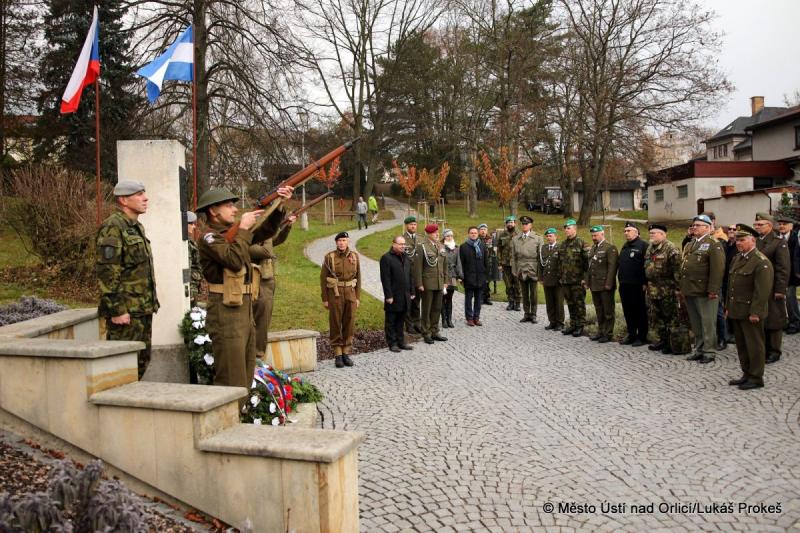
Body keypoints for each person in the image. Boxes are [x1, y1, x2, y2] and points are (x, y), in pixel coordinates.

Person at [197, 186, 291, 393]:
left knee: (246, 374)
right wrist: (243, 229)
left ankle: (241, 410)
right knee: (232, 378)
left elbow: (266, 232)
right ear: (213, 211)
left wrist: (278, 205)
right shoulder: (209, 237)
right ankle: (230, 412)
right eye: (228, 206)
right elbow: (234, 260)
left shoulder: (232, 234)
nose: (235, 209)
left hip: (243, 310)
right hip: (226, 313)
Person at [96, 180, 159, 380]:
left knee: (141, 363)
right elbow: (108, 271)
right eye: (139, 194)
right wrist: (117, 310)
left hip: (141, 309)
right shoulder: (113, 226)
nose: (145, 198)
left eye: (144, 193)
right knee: (121, 368)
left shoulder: (135, 226)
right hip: (126, 312)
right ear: (123, 200)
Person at [727, 224, 773, 390]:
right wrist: (728, 306)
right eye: (737, 240)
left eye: (742, 240)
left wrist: (755, 312)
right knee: (742, 345)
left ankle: (756, 377)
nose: (738, 243)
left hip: (750, 312)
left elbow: (762, 292)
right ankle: (746, 373)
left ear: (753, 240)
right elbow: (731, 285)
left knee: (754, 345)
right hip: (737, 309)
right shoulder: (738, 258)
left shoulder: (761, 262)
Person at [679, 214, 725, 364]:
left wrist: (713, 290)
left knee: (707, 322)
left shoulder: (713, 244)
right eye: (693, 225)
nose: (694, 228)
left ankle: (709, 351)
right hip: (690, 289)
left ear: (708, 228)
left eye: (698, 225)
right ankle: (699, 349)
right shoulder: (691, 244)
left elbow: (717, 270)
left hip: (705, 291)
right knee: (696, 322)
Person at [250, 214, 295, 360]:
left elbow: (278, 239)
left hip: (266, 282)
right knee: (257, 321)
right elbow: (267, 251)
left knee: (263, 322)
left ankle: (258, 356)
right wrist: (268, 234)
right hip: (255, 282)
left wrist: (287, 227)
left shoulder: (262, 239)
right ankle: (255, 355)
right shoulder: (247, 240)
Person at [321, 231, 362, 367]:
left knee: (349, 322)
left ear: (348, 241)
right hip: (335, 294)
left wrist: (357, 297)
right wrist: (325, 298)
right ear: (336, 242)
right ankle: (338, 354)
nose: (341, 243)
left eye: (344, 240)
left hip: (350, 293)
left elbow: (359, 277)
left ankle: (346, 352)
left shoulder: (355, 256)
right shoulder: (330, 257)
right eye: (339, 241)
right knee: (335, 322)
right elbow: (323, 278)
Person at [754, 212, 790, 364]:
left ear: (769, 225)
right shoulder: (756, 241)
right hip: (758, 287)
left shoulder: (778, 242)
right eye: (756, 224)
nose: (757, 227)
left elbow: (783, 268)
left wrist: (780, 290)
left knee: (774, 319)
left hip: (772, 286)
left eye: (760, 224)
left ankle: (774, 350)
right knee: (761, 317)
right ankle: (763, 348)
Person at [644, 224, 682, 354]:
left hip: (667, 290)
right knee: (657, 317)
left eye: (654, 233)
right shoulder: (650, 248)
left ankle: (672, 343)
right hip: (653, 289)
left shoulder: (671, 248)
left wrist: (678, 288)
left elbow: (677, 271)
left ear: (663, 234)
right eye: (650, 233)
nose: (651, 235)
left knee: (670, 318)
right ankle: (663, 340)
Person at [413, 224, 448, 343]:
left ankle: (435, 331)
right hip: (427, 282)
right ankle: (426, 332)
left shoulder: (441, 246)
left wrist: (446, 281)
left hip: (439, 282)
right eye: (434, 232)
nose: (437, 234)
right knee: (427, 308)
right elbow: (417, 267)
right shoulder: (422, 247)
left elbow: (445, 265)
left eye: (438, 232)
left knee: (437, 308)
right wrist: (419, 284)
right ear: (428, 234)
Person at [379, 235, 414, 352]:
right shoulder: (386, 258)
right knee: (391, 321)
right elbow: (385, 279)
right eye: (400, 244)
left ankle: (401, 341)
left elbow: (410, 276)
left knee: (401, 320)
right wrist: (388, 295)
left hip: (405, 295)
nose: (403, 246)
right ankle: (392, 343)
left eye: (404, 244)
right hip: (393, 296)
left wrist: (412, 291)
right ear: (394, 244)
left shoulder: (406, 257)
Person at [585, 225, 618, 342]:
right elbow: (589, 267)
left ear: (602, 234)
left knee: (608, 311)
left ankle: (608, 333)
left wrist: (609, 284)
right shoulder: (593, 248)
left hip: (605, 285)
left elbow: (612, 268)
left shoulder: (610, 248)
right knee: (599, 310)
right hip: (594, 285)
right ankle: (601, 331)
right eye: (592, 235)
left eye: (595, 235)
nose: (593, 237)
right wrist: (587, 282)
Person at [618, 222, 648, 346]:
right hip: (625, 284)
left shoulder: (643, 245)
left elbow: (647, 265)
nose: (626, 233)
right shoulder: (625, 246)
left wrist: (645, 282)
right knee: (628, 311)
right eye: (625, 231)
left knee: (639, 311)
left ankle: (642, 336)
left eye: (629, 230)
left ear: (636, 232)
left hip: (637, 285)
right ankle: (631, 334)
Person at [559, 219, 589, 337]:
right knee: (570, 304)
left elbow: (587, 263)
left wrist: (585, 279)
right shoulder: (563, 244)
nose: (566, 230)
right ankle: (573, 324)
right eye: (565, 228)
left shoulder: (582, 243)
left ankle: (580, 326)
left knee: (579, 304)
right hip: (566, 280)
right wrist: (560, 277)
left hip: (578, 281)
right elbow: (560, 262)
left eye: (568, 228)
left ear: (575, 229)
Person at [511, 215, 543, 323]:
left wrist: (540, 272)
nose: (524, 225)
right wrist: (514, 270)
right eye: (523, 224)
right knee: (524, 294)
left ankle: (533, 314)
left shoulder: (538, 238)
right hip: (521, 268)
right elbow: (513, 257)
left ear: (531, 225)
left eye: (526, 224)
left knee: (533, 294)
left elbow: (541, 257)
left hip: (533, 268)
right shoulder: (515, 239)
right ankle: (526, 313)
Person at [460, 226, 489, 326]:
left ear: (478, 234)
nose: (473, 234)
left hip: (480, 277)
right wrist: (462, 277)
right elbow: (461, 263)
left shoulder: (482, 246)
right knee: (468, 299)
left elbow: (486, 262)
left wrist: (486, 276)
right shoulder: (463, 246)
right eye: (471, 233)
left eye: (475, 233)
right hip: (469, 277)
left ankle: (476, 317)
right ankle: (469, 318)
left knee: (478, 299)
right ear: (469, 234)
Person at [777, 214, 800, 334]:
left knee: (790, 298)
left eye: (784, 224)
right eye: (780, 224)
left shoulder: (796, 238)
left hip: (791, 274)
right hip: (779, 274)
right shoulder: (776, 238)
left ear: (791, 226)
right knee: (779, 300)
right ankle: (785, 321)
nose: (781, 226)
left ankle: (795, 322)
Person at [538, 227, 564, 330]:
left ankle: (560, 323)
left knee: (559, 302)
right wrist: (540, 277)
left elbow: (563, 264)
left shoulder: (560, 247)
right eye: (547, 236)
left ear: (556, 236)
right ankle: (552, 322)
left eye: (550, 236)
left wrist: (562, 278)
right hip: (547, 279)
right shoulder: (543, 248)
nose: (548, 238)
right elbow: (540, 264)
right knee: (549, 302)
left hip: (557, 280)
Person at [402, 216, 422, 334]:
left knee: (417, 301)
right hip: (407, 276)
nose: (413, 226)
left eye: (414, 224)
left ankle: (417, 323)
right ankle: (409, 325)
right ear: (406, 226)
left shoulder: (421, 238)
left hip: (418, 276)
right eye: (411, 224)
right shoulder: (402, 239)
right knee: (408, 302)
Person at [496, 215, 520, 311]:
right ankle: (510, 302)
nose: (510, 224)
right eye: (508, 222)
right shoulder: (502, 235)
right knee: (508, 284)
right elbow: (499, 250)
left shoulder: (519, 234)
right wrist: (499, 263)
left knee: (517, 284)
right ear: (506, 224)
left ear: (515, 223)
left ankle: (518, 303)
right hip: (505, 264)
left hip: (516, 264)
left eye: (512, 222)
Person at [442, 229, 462, 329]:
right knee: (443, 298)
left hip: (452, 275)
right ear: (444, 237)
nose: (449, 237)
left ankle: (449, 319)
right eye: (447, 236)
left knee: (449, 298)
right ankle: (443, 320)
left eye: (451, 236)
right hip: (443, 275)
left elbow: (459, 262)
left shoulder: (456, 248)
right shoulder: (441, 247)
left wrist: (460, 275)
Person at [187, 210, 203, 307]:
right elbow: (188, 268)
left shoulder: (190, 242)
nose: (194, 227)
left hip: (194, 286)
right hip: (191, 288)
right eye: (191, 224)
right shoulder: (186, 244)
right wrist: (191, 291)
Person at [478, 224, 494, 305]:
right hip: (479, 263)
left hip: (489, 263)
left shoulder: (490, 239)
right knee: (480, 281)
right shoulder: (476, 239)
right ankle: (480, 298)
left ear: (487, 230)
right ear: (479, 231)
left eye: (484, 229)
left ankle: (487, 298)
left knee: (488, 281)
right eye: (481, 229)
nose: (483, 231)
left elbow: (494, 251)